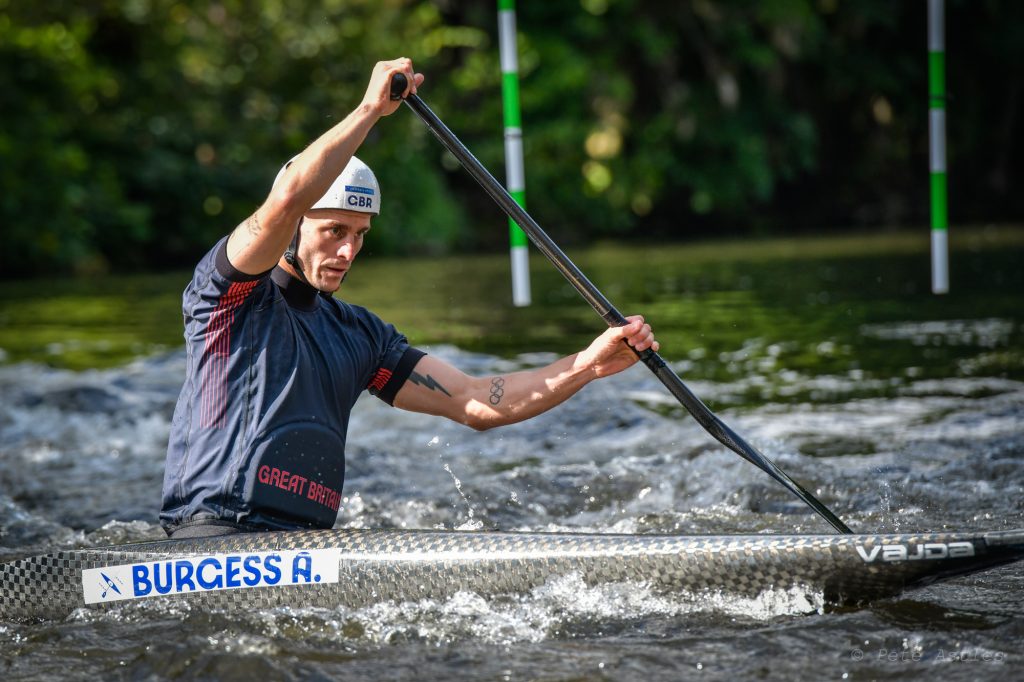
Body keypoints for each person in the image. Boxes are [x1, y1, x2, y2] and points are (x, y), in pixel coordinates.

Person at [160, 58, 658, 538]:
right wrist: (370, 111)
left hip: (308, 546)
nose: (348, 251)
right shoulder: (228, 297)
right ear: (294, 228)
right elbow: (286, 201)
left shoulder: (362, 336)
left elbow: (475, 401)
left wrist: (587, 366)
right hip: (213, 537)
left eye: (360, 234)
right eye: (334, 230)